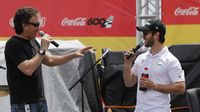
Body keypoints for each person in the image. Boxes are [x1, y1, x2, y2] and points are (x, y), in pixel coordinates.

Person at [4, 7, 92, 112]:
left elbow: (50, 61)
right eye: (36, 24)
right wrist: (42, 49)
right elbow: (28, 69)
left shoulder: (32, 41)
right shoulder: (13, 44)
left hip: (39, 100)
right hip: (24, 103)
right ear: (25, 25)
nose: (39, 28)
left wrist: (73, 55)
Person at [123, 19, 185, 112]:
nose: (143, 37)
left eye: (145, 33)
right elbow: (129, 83)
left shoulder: (170, 60)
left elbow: (181, 87)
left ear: (156, 35)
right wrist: (127, 64)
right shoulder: (141, 58)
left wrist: (154, 85)